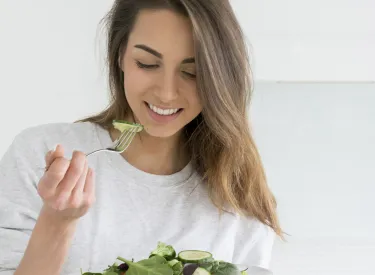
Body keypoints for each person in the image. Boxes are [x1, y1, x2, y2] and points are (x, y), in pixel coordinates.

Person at [0, 1, 282, 274]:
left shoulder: (237, 190)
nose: (166, 93)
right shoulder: (37, 154)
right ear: (121, 54)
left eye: (191, 72)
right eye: (147, 63)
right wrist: (57, 222)